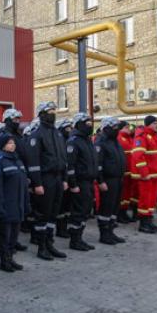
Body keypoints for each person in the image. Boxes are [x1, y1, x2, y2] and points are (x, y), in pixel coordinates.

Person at [24, 102, 68, 261]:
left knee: (53, 213)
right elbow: (33, 162)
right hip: (45, 179)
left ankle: (50, 244)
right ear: (42, 114)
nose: (53, 114)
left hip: (57, 178)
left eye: (54, 111)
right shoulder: (36, 135)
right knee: (43, 214)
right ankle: (41, 247)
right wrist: (37, 184)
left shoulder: (57, 134)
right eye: (49, 111)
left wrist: (64, 178)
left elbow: (63, 158)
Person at [0, 134, 29, 272]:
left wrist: (26, 203)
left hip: (17, 205)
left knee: (14, 236)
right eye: (9, 143)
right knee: (4, 237)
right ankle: (4, 261)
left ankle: (11, 258)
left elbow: (24, 185)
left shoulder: (18, 161)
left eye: (13, 142)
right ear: (2, 146)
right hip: (6, 206)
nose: (12, 145)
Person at [65, 113, 100, 250]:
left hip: (89, 181)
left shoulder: (87, 140)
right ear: (79, 124)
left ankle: (79, 238)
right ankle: (74, 240)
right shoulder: (74, 141)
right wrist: (73, 184)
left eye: (91, 124)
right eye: (87, 123)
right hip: (80, 183)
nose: (90, 126)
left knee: (85, 211)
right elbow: (70, 165)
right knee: (78, 212)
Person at [95, 117, 127, 244]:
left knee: (114, 207)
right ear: (106, 127)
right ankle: (104, 234)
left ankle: (111, 231)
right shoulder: (101, 142)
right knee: (106, 208)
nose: (116, 130)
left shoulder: (115, 141)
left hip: (118, 178)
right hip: (108, 180)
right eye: (114, 127)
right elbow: (98, 164)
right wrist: (100, 181)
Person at [131, 115, 157, 233]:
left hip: (155, 175)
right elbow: (138, 156)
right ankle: (143, 224)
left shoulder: (154, 137)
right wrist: (144, 173)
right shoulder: (142, 137)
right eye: (154, 123)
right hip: (147, 176)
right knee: (145, 199)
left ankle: (149, 222)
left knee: (152, 200)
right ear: (148, 124)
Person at [55, 118, 74, 239]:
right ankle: (60, 229)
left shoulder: (69, 141)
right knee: (61, 206)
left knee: (68, 205)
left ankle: (65, 227)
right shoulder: (59, 141)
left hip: (69, 176)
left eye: (70, 127)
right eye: (67, 128)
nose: (70, 130)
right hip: (61, 177)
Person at [117, 122, 136, 223]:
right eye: (126, 127)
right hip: (123, 171)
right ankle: (119, 214)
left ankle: (124, 212)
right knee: (122, 194)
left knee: (127, 194)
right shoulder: (119, 138)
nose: (129, 129)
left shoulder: (129, 138)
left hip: (130, 171)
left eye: (129, 127)